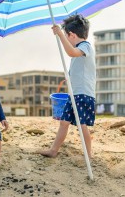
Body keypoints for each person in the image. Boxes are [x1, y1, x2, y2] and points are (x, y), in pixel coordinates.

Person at [39, 14, 96, 158]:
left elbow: (71, 52)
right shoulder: (81, 49)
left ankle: (88, 155)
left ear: (71, 35)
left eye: (66, 35)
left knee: (82, 125)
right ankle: (53, 150)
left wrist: (59, 35)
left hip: (83, 94)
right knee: (64, 123)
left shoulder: (85, 47)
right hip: (75, 93)